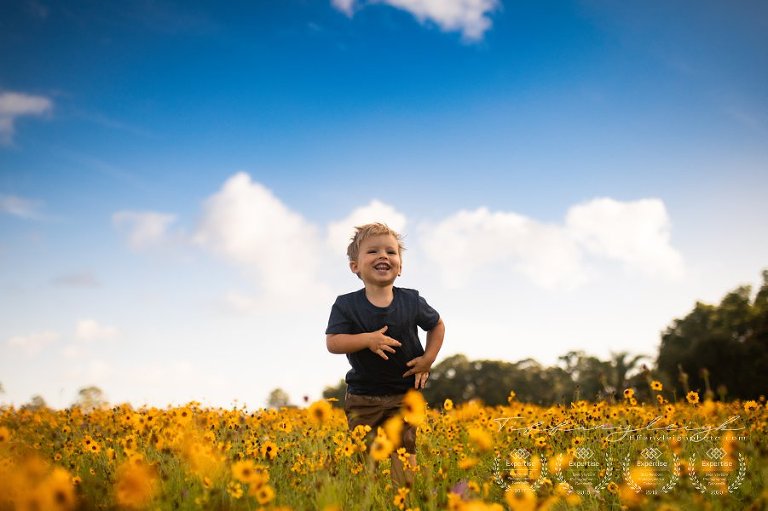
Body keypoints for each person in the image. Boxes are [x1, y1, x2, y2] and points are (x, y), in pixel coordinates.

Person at [325, 222, 445, 487]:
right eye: (373, 251)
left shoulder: (411, 301)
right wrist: (367, 339)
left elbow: (437, 325)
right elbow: (333, 342)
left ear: (400, 266)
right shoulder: (346, 305)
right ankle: (367, 498)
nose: (383, 256)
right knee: (364, 458)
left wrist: (428, 358)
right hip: (362, 396)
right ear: (355, 266)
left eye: (391, 252)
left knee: (405, 452)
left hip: (404, 394)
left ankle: (403, 500)